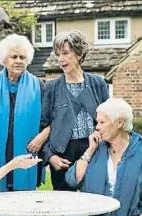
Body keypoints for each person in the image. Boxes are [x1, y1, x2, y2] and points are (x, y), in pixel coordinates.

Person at [65, 98, 142, 216]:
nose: (97, 127)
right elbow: (73, 180)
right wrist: (90, 150)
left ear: (119, 123)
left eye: (102, 122)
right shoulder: (95, 151)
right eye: (97, 122)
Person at [0, 33, 50, 192]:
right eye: (13, 56)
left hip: (27, 151)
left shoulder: (39, 86)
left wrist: (41, 137)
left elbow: (51, 121)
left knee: (24, 209)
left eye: (22, 57)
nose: (18, 61)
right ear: (4, 59)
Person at [41, 30, 109, 191]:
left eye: (65, 53)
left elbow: (109, 121)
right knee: (65, 210)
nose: (60, 59)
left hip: (94, 151)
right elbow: (43, 126)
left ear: (79, 54)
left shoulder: (98, 84)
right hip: (63, 156)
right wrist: (50, 156)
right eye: (58, 54)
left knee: (96, 203)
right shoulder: (51, 88)